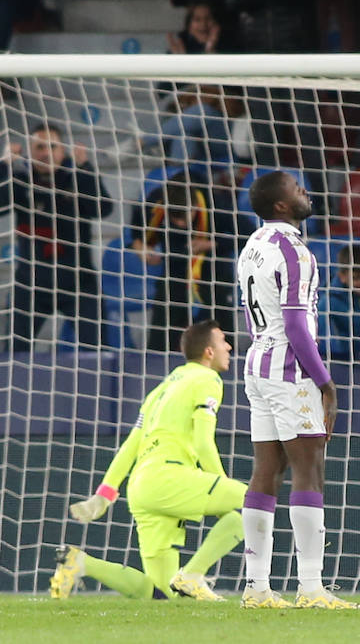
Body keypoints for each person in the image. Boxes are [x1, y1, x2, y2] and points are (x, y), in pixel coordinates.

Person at [49, 321, 246, 602]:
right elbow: (203, 443)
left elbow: (131, 445)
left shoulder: (162, 389)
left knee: (163, 593)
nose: (229, 346)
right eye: (223, 341)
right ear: (208, 352)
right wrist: (221, 485)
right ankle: (193, 574)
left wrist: (103, 496)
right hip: (170, 477)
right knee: (255, 506)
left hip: (142, 488)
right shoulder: (207, 379)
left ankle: (80, 563)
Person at [235, 170, 360, 609]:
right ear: (282, 205)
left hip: (256, 360)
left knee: (266, 469)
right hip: (287, 365)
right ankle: (311, 588)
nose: (306, 192)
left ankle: (257, 588)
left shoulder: (253, 245)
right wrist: (325, 383)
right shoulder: (296, 251)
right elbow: (295, 324)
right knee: (309, 468)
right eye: (297, 189)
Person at [0, 122, 112, 351]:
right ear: (31, 151)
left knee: (98, 353)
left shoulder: (76, 179)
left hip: (79, 282)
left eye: (53, 147)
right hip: (31, 283)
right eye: (40, 147)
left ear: (63, 151)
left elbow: (103, 209)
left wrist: (87, 168)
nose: (46, 153)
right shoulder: (21, 183)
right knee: (13, 352)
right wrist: (4, 166)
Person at [130, 171, 241, 352]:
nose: (181, 224)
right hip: (175, 271)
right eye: (175, 219)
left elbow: (246, 233)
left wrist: (212, 244)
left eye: (184, 218)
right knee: (162, 330)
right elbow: (136, 227)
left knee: (221, 326)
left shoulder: (216, 203)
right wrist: (139, 245)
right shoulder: (157, 200)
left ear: (195, 206)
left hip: (212, 271)